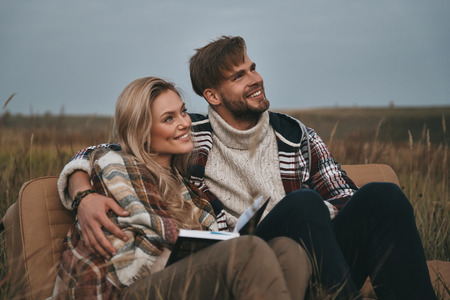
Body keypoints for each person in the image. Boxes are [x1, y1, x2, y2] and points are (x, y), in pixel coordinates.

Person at [59, 36, 437, 299]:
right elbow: (113, 148)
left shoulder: (296, 136)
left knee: (382, 197)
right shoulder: (191, 136)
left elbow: (344, 197)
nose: (255, 79)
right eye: (238, 76)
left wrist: (317, 222)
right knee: (301, 204)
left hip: (320, 251)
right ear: (212, 96)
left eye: (252, 68)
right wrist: (83, 193)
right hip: (250, 255)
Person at [51, 76, 312, 299]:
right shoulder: (117, 166)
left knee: (289, 250)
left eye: (183, 112)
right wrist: (82, 193)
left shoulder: (185, 185)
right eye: (168, 119)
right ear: (142, 131)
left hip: (174, 280)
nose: (184, 123)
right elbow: (132, 264)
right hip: (126, 289)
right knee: (246, 252)